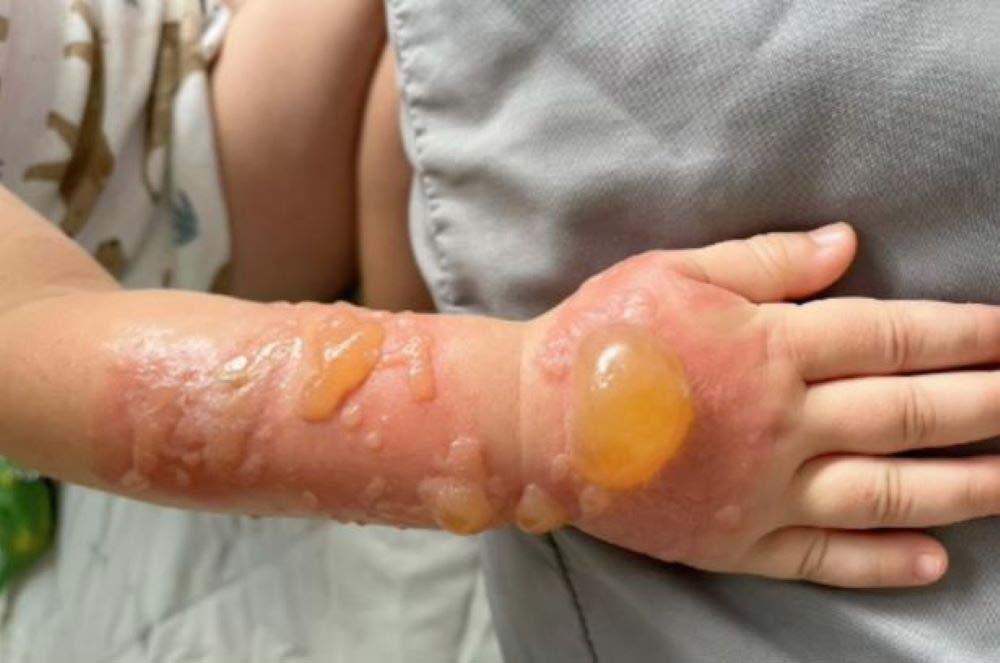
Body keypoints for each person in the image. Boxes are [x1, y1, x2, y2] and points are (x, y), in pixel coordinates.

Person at [1, 0, 999, 659]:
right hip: (206, 159)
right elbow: (33, 332)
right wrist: (545, 421)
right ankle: (396, 274)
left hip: (148, 39)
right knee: (405, 99)